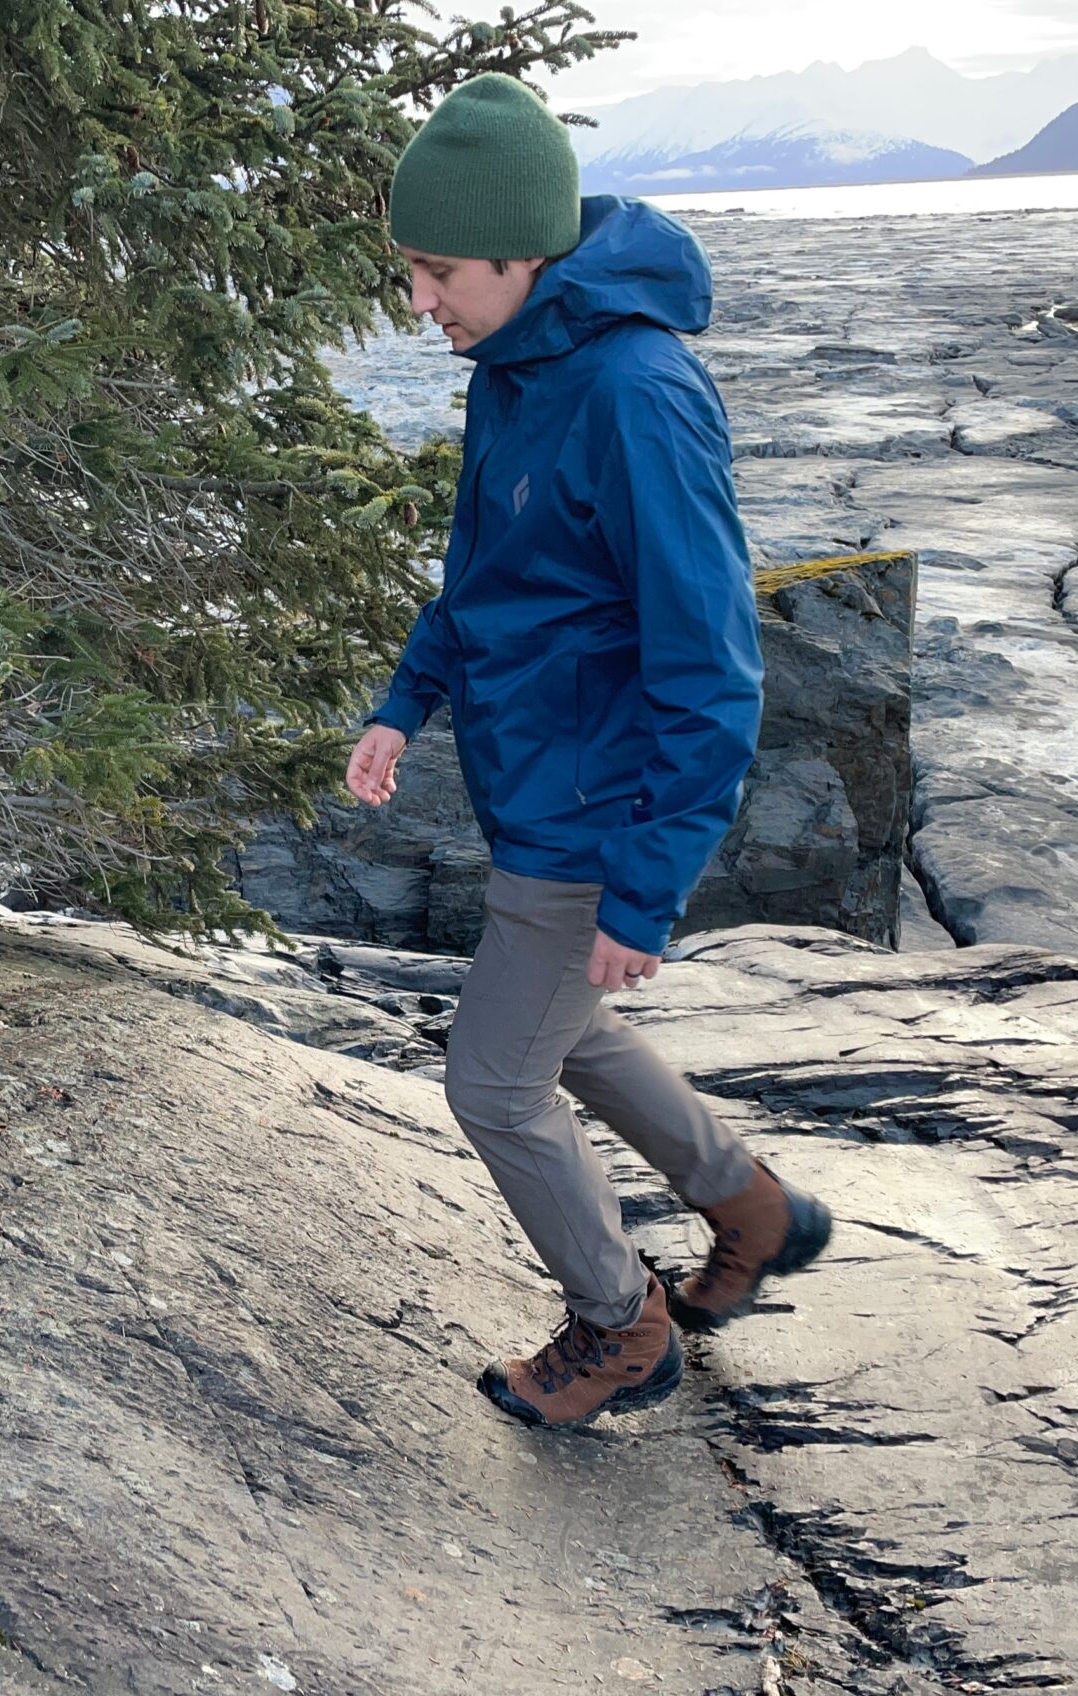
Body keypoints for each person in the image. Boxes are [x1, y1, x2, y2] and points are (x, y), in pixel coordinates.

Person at [343, 73, 832, 1428]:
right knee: (569, 1037)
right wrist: (402, 702)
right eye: (413, 273)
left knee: (494, 1077)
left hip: (594, 811)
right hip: (537, 789)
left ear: (524, 255)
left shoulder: (636, 393)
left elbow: (712, 667)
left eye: (438, 273)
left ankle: (622, 1327)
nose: (420, 303)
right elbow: (483, 581)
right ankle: (753, 1206)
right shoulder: (515, 366)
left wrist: (646, 883)